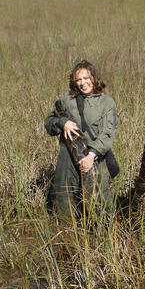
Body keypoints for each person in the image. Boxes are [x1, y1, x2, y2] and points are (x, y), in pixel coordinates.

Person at [44, 60, 118, 219]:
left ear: (94, 77)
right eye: (79, 80)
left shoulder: (107, 103)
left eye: (86, 78)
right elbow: (49, 123)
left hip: (95, 157)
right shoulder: (67, 99)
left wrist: (91, 156)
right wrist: (62, 123)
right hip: (67, 157)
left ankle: (101, 237)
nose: (83, 83)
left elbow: (107, 134)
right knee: (65, 199)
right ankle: (69, 236)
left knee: (100, 204)